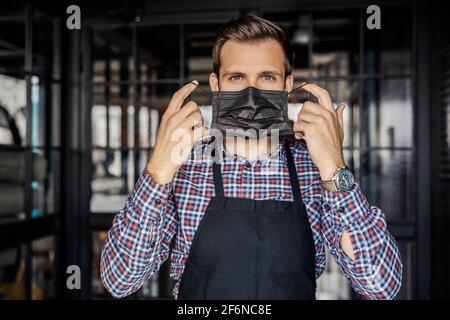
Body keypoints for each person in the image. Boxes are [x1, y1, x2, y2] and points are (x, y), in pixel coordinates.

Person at [100, 15, 402, 300]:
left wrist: (335, 167)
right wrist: (158, 170)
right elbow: (120, 279)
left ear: (286, 86)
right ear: (216, 85)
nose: (251, 94)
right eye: (236, 77)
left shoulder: (317, 172)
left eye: (267, 77)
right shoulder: (184, 169)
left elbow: (379, 285)